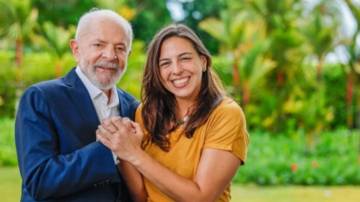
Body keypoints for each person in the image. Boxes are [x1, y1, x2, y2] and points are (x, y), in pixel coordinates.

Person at [97, 24, 249, 202]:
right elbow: (141, 195)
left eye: (184, 58)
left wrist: (134, 154)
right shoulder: (146, 113)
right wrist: (122, 149)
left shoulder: (225, 114)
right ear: (158, 72)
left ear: (203, 61)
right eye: (165, 63)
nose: (176, 70)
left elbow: (201, 197)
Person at [15, 9, 138, 201]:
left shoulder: (133, 106)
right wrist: (113, 148)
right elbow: (38, 181)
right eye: (99, 45)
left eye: (120, 48)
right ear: (76, 49)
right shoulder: (41, 97)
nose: (110, 55)